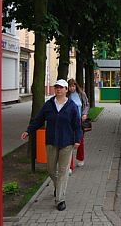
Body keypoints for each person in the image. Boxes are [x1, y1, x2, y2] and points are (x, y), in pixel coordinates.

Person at [20, 79, 82, 211]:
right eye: (56, 87)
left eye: (61, 88)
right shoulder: (48, 105)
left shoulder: (72, 106)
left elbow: (77, 125)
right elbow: (38, 120)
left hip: (67, 143)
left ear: (66, 90)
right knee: (50, 169)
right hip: (51, 141)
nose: (58, 89)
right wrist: (28, 131)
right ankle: (58, 187)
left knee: (63, 171)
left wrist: (78, 139)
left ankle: (60, 199)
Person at [67, 78, 89, 171]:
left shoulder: (81, 94)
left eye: (73, 86)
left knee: (80, 141)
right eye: (70, 86)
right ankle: (69, 166)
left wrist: (84, 113)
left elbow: (87, 104)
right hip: (69, 122)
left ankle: (80, 158)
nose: (72, 88)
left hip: (80, 121)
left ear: (76, 86)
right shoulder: (66, 95)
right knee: (69, 143)